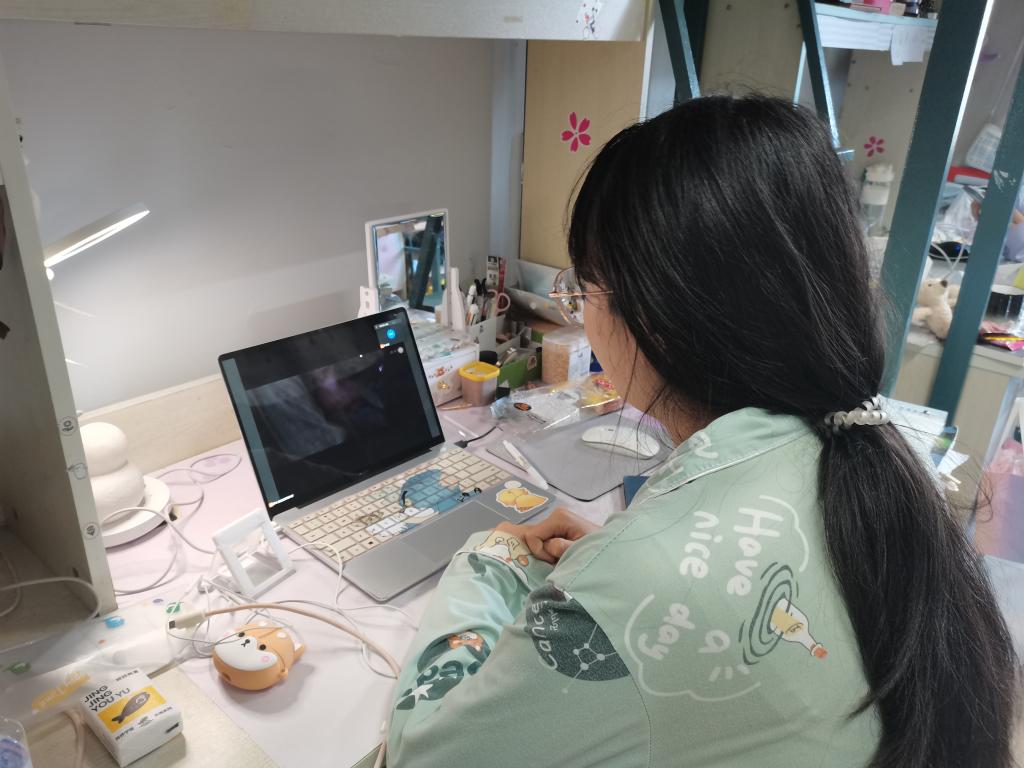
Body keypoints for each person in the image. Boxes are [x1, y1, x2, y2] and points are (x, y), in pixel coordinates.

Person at [384, 95, 1019, 767]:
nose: (579, 311)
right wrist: (632, 572)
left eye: (581, 289)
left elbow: (423, 756)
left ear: (654, 317)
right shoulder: (857, 449)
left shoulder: (637, 578)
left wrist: (491, 560)